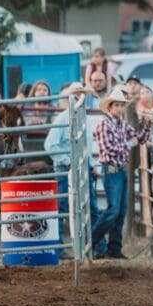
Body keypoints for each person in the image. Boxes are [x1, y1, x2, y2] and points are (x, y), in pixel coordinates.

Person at [90, 89, 153, 260]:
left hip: (120, 170)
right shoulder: (104, 125)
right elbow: (109, 148)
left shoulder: (122, 125)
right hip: (111, 169)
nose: (119, 108)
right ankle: (92, 240)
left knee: (120, 212)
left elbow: (139, 138)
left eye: (121, 105)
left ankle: (114, 249)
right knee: (113, 211)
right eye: (116, 105)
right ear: (110, 107)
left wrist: (147, 126)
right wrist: (129, 144)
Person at [44, 83, 98, 248]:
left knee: (90, 207)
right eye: (76, 94)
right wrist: (67, 161)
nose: (80, 97)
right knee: (63, 207)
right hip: (66, 168)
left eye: (82, 94)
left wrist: (91, 164)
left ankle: (95, 245)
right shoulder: (63, 118)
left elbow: (86, 146)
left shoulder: (84, 118)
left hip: (83, 167)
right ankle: (60, 246)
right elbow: (50, 145)